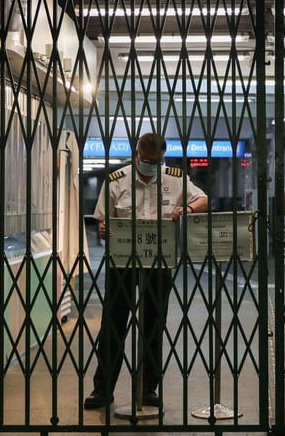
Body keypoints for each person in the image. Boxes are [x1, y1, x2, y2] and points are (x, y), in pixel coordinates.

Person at [84, 133, 208, 410]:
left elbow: (203, 200)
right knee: (113, 325)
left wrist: (185, 208)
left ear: (162, 157)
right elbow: (102, 221)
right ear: (136, 154)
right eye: (146, 159)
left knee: (154, 324)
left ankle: (148, 389)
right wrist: (103, 230)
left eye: (156, 161)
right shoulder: (118, 180)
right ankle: (102, 389)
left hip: (158, 262)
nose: (151, 164)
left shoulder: (174, 178)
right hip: (122, 262)